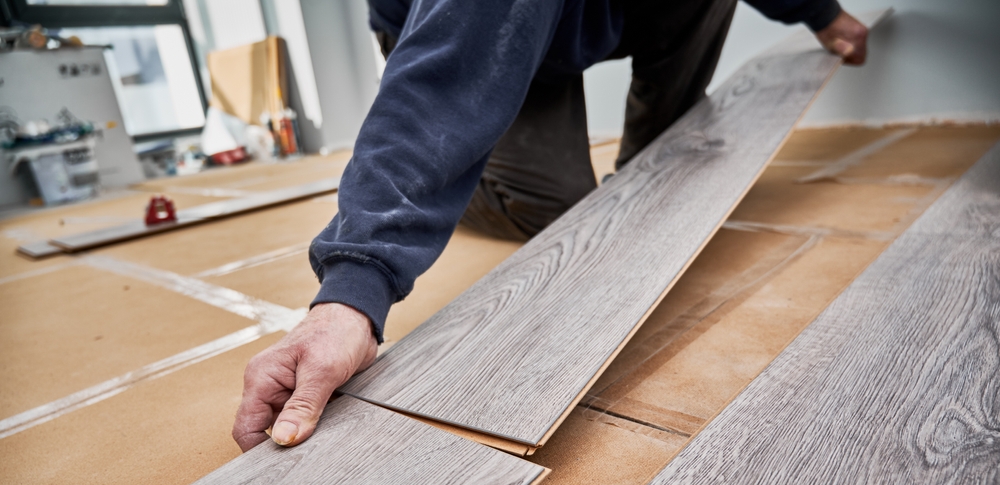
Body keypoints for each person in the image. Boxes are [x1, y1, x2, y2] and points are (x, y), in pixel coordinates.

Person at [231, 0, 869, 452]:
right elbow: (438, 91)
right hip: (461, 36)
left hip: (583, 17)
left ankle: (655, 168)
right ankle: (482, 171)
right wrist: (353, 293)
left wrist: (820, 13)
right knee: (563, 212)